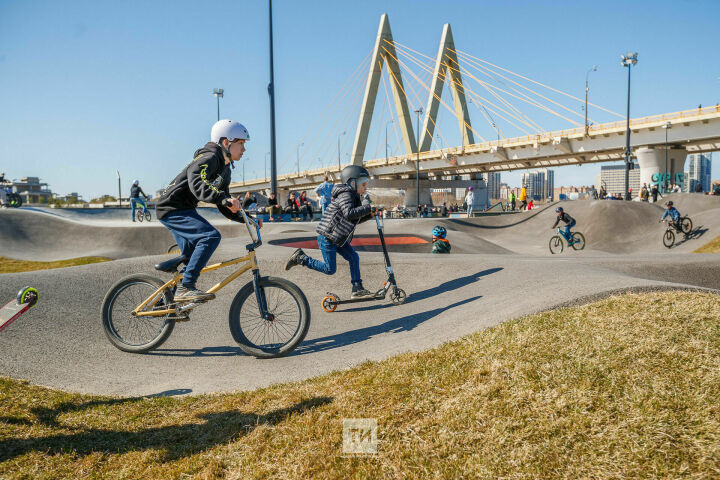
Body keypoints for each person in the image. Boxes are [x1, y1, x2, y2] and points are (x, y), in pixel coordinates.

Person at [155, 119, 259, 302]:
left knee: (191, 256)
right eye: (241, 143)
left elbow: (224, 204)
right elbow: (197, 183)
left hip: (185, 209)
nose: (244, 149)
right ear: (226, 142)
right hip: (172, 208)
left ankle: (168, 303)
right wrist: (224, 198)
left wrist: (247, 219)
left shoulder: (225, 170)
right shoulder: (208, 157)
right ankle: (186, 287)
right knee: (210, 236)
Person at [284, 165, 375, 298]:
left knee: (354, 257)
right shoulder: (346, 194)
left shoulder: (353, 196)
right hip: (328, 237)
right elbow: (349, 213)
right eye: (363, 184)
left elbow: (353, 219)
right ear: (353, 182)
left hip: (337, 237)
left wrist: (369, 214)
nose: (365, 188)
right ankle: (301, 258)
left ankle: (357, 288)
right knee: (329, 269)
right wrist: (367, 207)